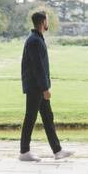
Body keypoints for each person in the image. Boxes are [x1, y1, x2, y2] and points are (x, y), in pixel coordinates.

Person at [19, 11, 73, 162]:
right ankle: (24, 151)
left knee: (48, 117)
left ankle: (57, 151)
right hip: (36, 87)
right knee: (30, 117)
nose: (48, 23)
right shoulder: (35, 41)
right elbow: (38, 67)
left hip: (37, 86)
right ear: (43, 22)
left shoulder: (36, 39)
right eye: (47, 20)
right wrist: (45, 89)